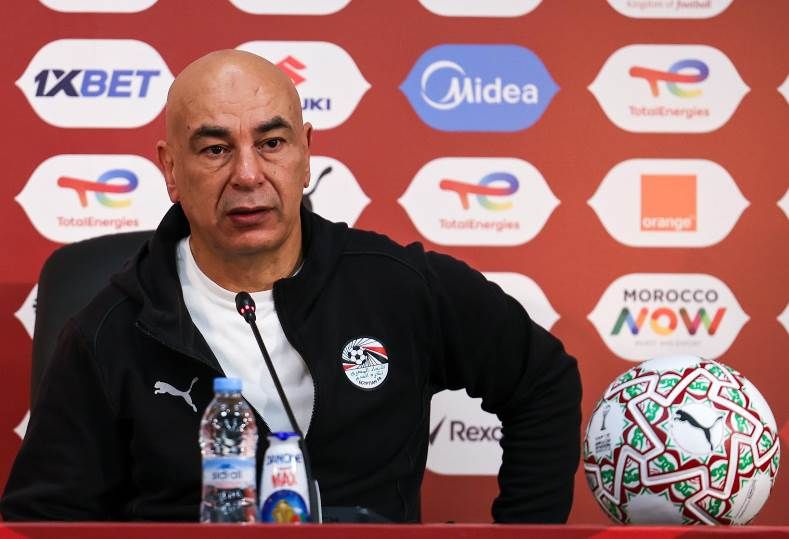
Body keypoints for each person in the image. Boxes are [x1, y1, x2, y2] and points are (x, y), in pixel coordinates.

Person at [0, 50, 581, 523]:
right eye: (215, 149)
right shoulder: (109, 332)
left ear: (305, 154)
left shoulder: (396, 285)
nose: (248, 174)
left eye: (272, 143)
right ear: (171, 169)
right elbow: (42, 517)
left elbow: (543, 381)